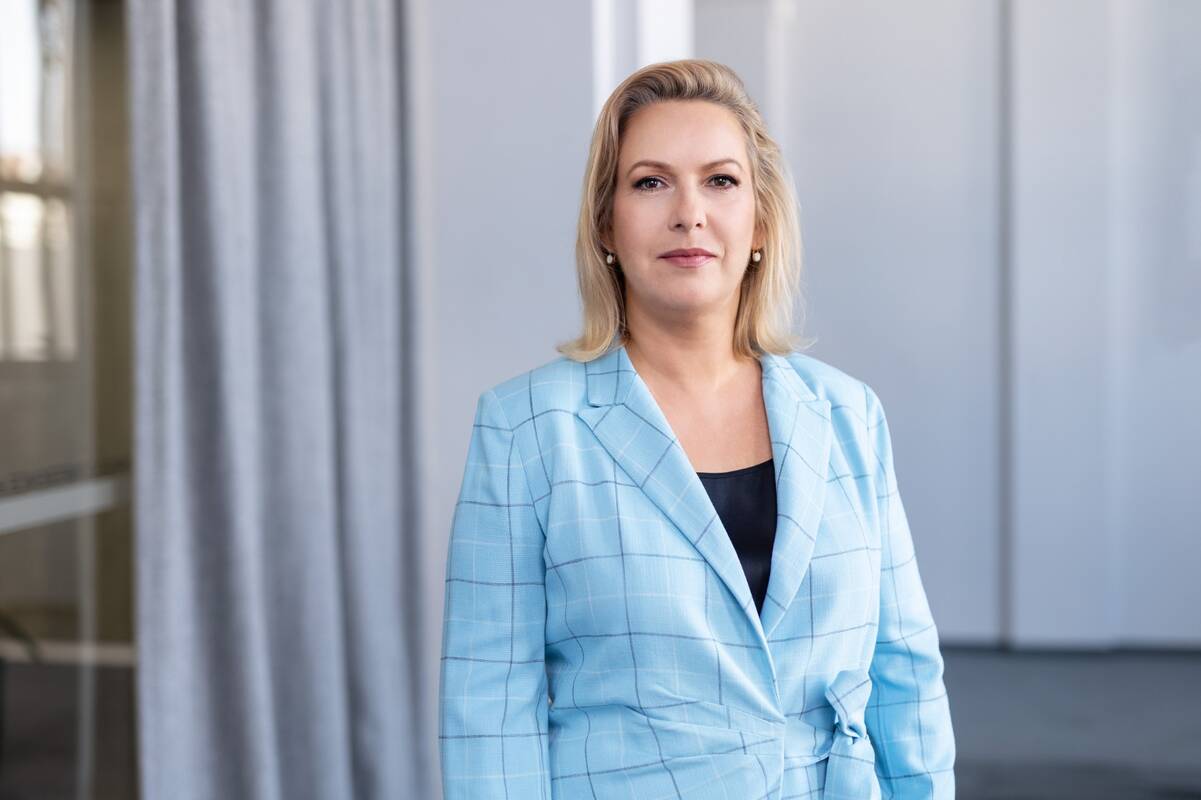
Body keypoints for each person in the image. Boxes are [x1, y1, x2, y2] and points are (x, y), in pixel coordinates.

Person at [439, 58, 955, 800]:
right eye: (651, 182)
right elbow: (489, 705)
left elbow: (904, 671)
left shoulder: (848, 414)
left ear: (760, 221)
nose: (689, 213)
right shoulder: (526, 429)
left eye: (720, 180)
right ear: (605, 224)